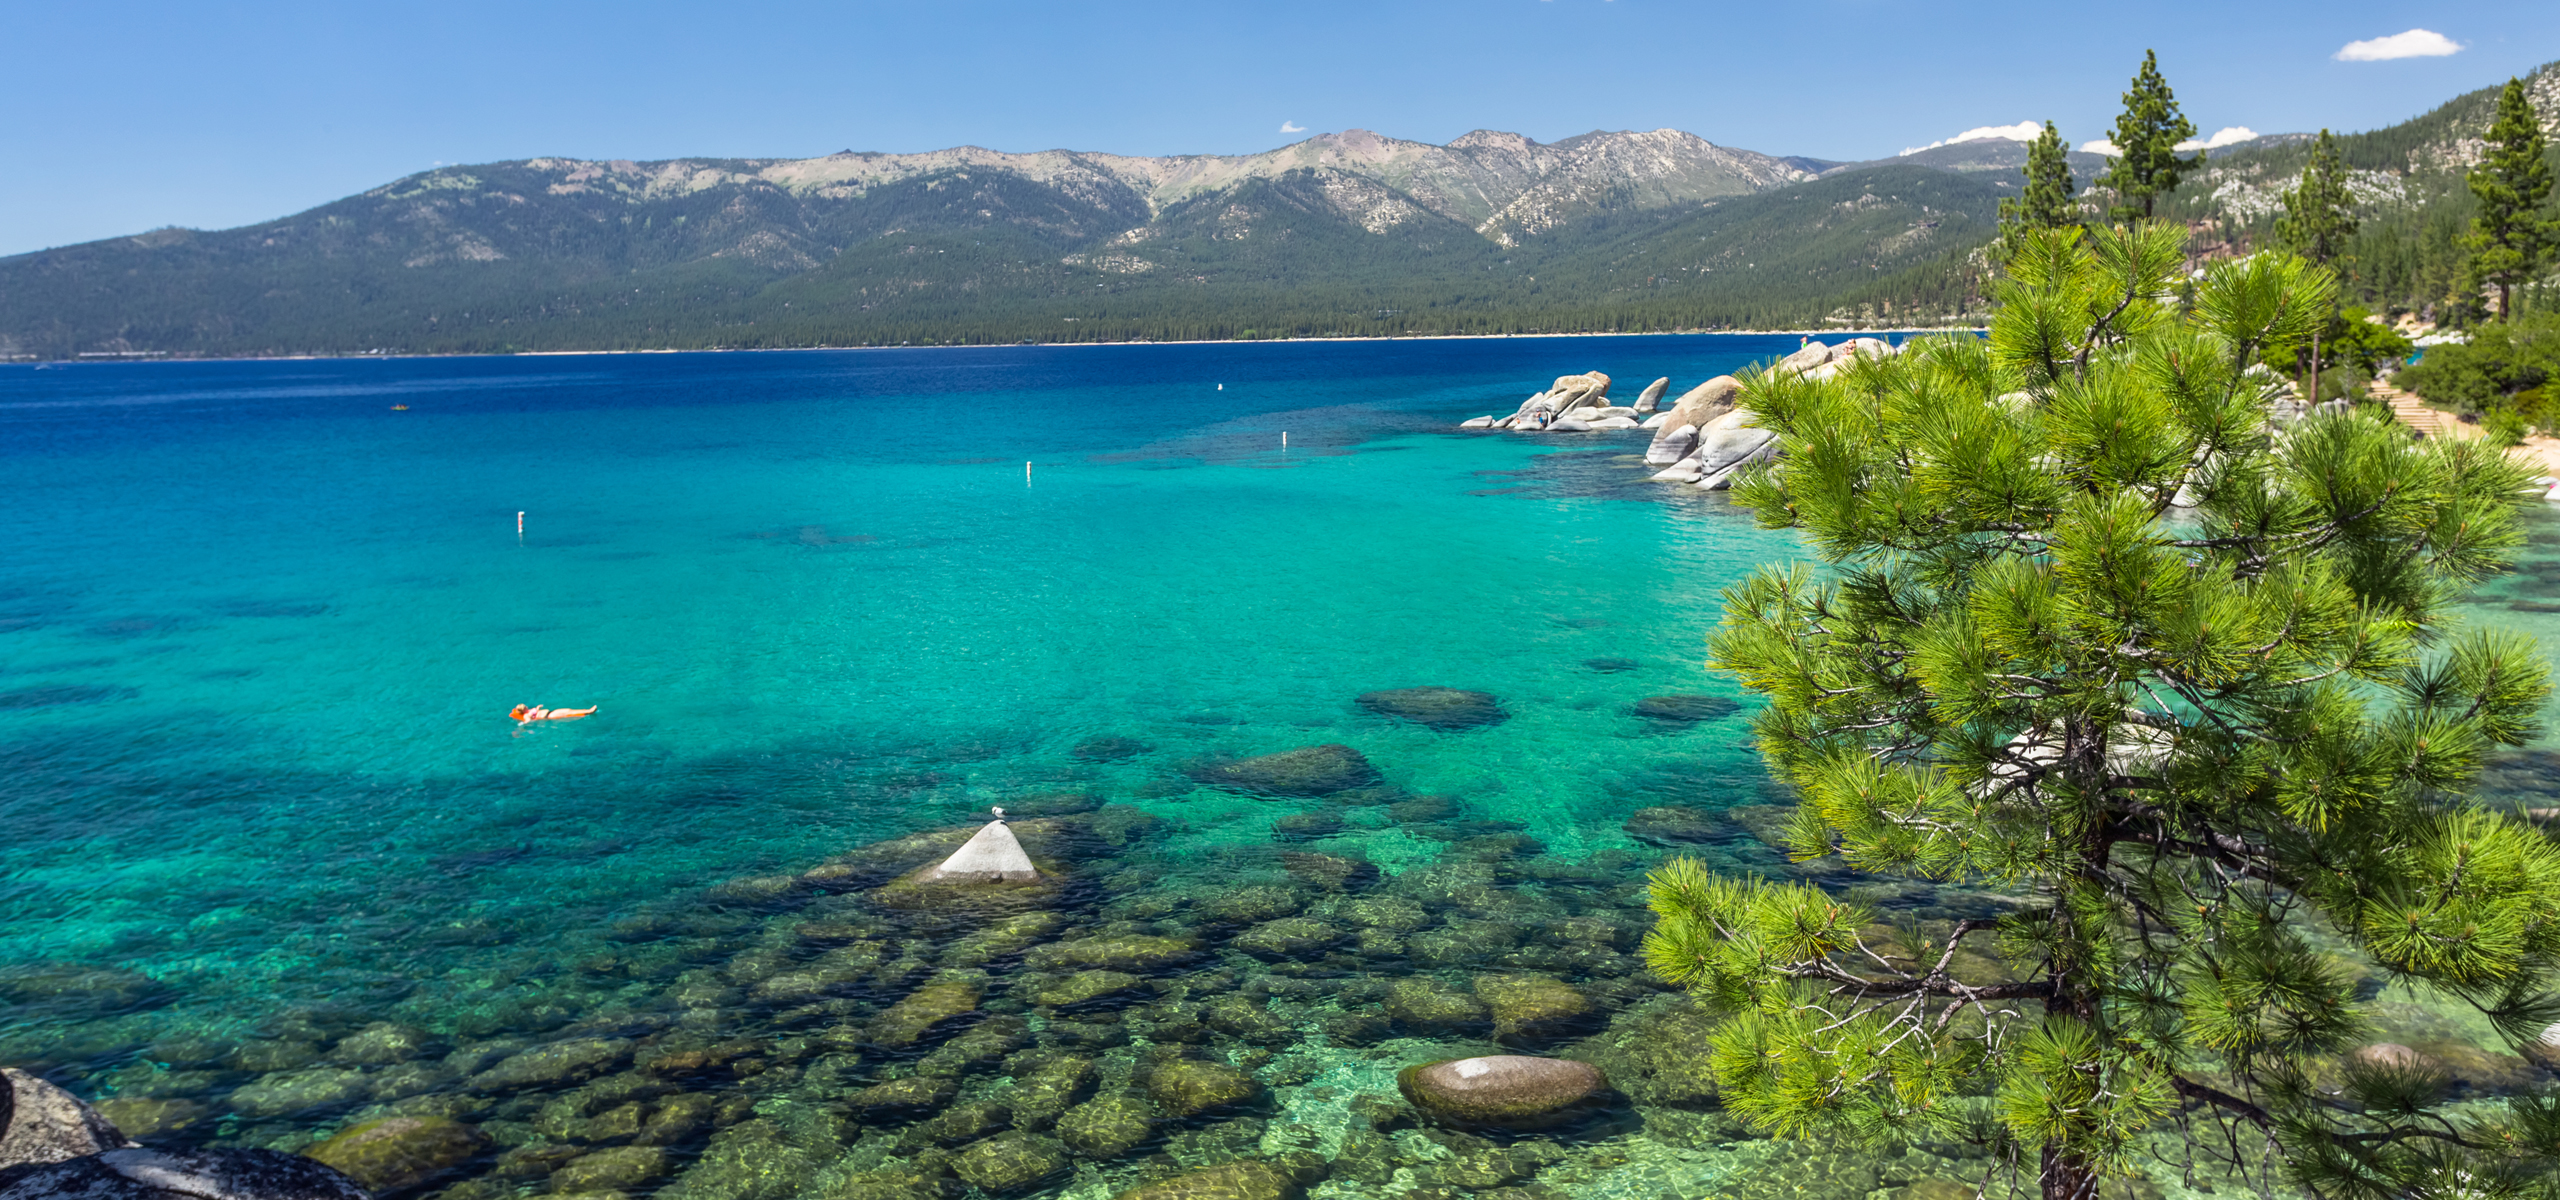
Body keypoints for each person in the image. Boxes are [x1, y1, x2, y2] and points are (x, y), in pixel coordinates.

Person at [511, 703, 597, 724]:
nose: (527, 707)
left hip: (551, 712)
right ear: (523, 710)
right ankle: (589, 712)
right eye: (525, 707)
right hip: (550, 716)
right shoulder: (526, 715)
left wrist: (538, 707)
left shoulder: (529, 711)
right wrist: (524, 723)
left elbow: (535, 711)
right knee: (567, 714)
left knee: (568, 710)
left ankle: (588, 711)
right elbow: (528, 720)